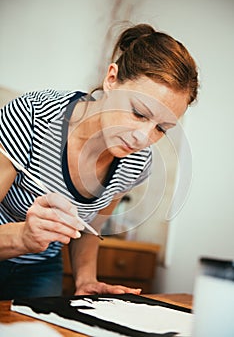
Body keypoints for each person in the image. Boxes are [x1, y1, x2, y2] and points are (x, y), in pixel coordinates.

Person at [0, 23, 198, 300]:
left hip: (40, 268)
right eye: (139, 113)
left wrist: (86, 280)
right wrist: (22, 236)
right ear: (111, 79)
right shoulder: (33, 116)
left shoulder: (136, 161)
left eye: (161, 128)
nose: (143, 137)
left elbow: (90, 228)